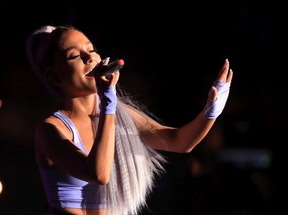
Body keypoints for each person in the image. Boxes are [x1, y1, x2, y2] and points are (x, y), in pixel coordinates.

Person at [25, 24, 233, 215]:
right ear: (53, 76)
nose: (90, 58)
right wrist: (108, 105)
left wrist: (211, 111)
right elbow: (99, 174)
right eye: (74, 56)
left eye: (91, 49)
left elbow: (179, 141)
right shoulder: (50, 130)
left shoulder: (117, 113)